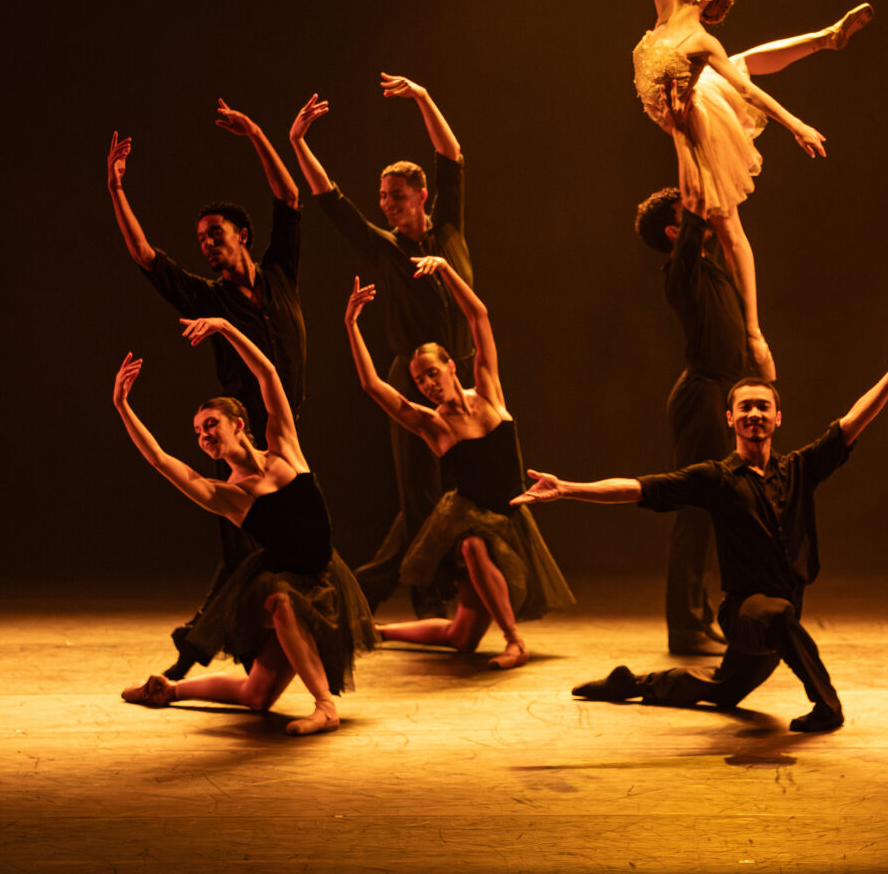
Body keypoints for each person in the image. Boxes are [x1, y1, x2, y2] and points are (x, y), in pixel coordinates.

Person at [515, 330, 888, 732]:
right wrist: (568, 489)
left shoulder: (800, 469)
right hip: (743, 614)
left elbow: (852, 423)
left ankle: (628, 683)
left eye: (762, 407)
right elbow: (640, 488)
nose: (754, 413)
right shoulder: (715, 479)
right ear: (730, 418)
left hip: (779, 623)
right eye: (745, 407)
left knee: (720, 690)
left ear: (777, 418)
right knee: (774, 613)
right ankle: (827, 706)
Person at [634, 0, 873, 378]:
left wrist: (796, 126)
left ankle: (755, 331)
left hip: (692, 117)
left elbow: (749, 91)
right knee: (737, 67)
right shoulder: (667, 13)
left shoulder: (701, 37)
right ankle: (825, 39)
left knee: (726, 221)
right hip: (680, 101)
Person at [105, 102, 306, 681]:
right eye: (200, 240)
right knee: (242, 553)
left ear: (241, 236)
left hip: (289, 434)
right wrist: (117, 189)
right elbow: (145, 256)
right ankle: (199, 652)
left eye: (214, 235)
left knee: (283, 550)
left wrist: (256, 134)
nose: (206, 246)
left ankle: (256, 647)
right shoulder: (205, 298)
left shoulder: (278, 275)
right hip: (245, 443)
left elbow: (288, 199)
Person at [114, 317, 375, 735]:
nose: (203, 437)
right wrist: (123, 407)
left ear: (238, 424)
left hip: (326, 577)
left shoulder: (285, 448)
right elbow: (162, 461)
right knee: (280, 602)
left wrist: (225, 327)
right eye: (198, 433)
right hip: (287, 584)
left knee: (257, 695)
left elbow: (268, 373)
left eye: (210, 424)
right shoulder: (229, 495)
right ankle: (325, 707)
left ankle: (171, 690)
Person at [287, 75, 473, 617]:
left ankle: (367, 590)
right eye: (383, 197)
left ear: (420, 196)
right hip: (411, 376)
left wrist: (423, 97)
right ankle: (430, 593)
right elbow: (334, 204)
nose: (386, 203)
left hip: (461, 372)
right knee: (419, 492)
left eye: (395, 196)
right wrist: (299, 144)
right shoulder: (386, 249)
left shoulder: (449, 232)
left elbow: (452, 156)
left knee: (464, 484)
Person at [345, 258, 574, 669]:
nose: (428, 385)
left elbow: (479, 316)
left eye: (433, 373)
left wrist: (447, 270)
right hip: (470, 522)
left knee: (461, 637)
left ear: (451, 366)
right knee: (471, 545)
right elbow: (372, 386)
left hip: (513, 521)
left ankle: (376, 632)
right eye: (419, 381)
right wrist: (351, 326)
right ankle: (515, 641)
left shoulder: (489, 392)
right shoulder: (434, 426)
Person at [634, 187, 762, 655]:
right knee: (694, 510)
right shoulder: (681, 270)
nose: (702, 212)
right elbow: (695, 198)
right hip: (701, 394)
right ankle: (685, 627)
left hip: (718, 394)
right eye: (687, 215)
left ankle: (700, 618)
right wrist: (682, 130)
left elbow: (728, 228)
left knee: (712, 512)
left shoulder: (709, 268)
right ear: (676, 232)